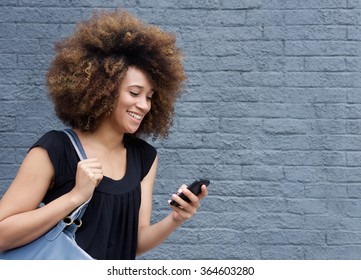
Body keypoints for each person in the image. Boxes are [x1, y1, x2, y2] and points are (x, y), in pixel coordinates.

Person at [0, 9, 208, 260]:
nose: (144, 105)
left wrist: (175, 219)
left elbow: (135, 241)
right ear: (104, 89)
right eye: (134, 93)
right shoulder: (55, 149)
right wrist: (75, 196)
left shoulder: (144, 158)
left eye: (150, 97)